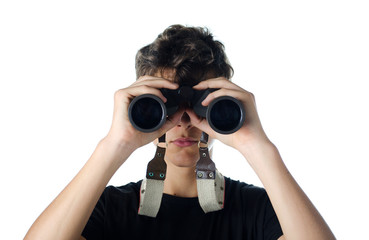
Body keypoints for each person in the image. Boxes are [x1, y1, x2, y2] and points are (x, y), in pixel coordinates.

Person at [24, 25, 336, 240]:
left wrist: (259, 147)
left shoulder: (258, 209)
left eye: (201, 106)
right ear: (138, 107)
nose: (183, 122)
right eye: (165, 106)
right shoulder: (107, 209)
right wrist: (114, 144)